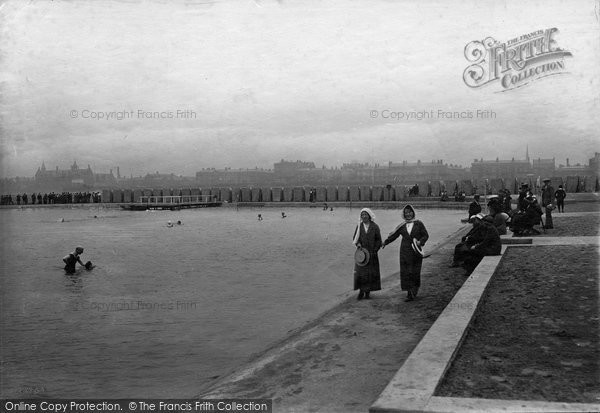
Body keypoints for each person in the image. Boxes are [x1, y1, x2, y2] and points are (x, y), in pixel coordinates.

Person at [383, 205, 429, 302]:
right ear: (404, 214)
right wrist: (385, 242)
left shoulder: (419, 224)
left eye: (410, 212)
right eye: (406, 212)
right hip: (405, 252)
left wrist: (420, 242)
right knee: (406, 272)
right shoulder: (402, 226)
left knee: (415, 271)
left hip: (416, 252)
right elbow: (394, 236)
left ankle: (415, 289)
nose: (408, 214)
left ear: (413, 212)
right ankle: (409, 293)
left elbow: (425, 235)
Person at [352, 208, 382, 300]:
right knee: (361, 274)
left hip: (372, 254)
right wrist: (358, 244)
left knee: (370, 273)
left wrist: (375, 250)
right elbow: (355, 238)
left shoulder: (375, 226)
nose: (364, 216)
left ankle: (368, 292)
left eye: (365, 214)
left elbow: (379, 240)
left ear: (369, 215)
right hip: (362, 255)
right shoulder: (359, 226)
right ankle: (361, 291)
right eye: (362, 215)